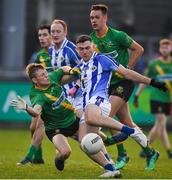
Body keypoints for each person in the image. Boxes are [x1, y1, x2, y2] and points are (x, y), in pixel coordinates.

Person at [11, 63, 126, 178]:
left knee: (87, 142)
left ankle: (110, 168)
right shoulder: (37, 95)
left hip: (72, 120)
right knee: (66, 152)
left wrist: (71, 71)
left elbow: (63, 69)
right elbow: (36, 112)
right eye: (42, 75)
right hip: (56, 129)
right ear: (35, 80)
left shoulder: (52, 77)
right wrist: (26, 108)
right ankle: (59, 159)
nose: (46, 76)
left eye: (45, 73)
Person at [71, 35, 167, 171]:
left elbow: (127, 73)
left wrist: (151, 82)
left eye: (87, 48)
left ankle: (125, 140)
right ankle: (111, 169)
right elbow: (70, 78)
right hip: (90, 103)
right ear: (77, 50)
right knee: (85, 142)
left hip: (101, 99)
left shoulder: (102, 58)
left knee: (94, 118)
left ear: (93, 46)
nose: (85, 51)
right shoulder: (81, 66)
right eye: (81, 49)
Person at [89, 4, 160, 171]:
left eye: (97, 17)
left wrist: (128, 67)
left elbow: (139, 49)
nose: (93, 20)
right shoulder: (92, 39)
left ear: (105, 18)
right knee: (127, 123)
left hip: (123, 83)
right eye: (91, 17)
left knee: (106, 115)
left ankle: (122, 154)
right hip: (106, 85)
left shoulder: (118, 35)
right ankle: (150, 152)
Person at [16, 24, 52, 165]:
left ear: (52, 36)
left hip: (54, 96)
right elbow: (30, 73)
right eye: (40, 35)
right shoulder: (37, 56)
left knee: (40, 124)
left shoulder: (57, 53)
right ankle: (38, 157)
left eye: (45, 35)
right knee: (33, 127)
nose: (42, 38)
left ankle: (29, 157)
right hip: (42, 94)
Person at [133, 39, 172, 159]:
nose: (165, 49)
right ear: (160, 49)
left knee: (161, 125)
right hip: (156, 97)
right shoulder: (154, 65)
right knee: (160, 122)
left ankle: (153, 148)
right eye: (163, 47)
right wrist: (137, 95)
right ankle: (154, 149)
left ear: (170, 49)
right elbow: (145, 80)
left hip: (168, 99)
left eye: (167, 47)